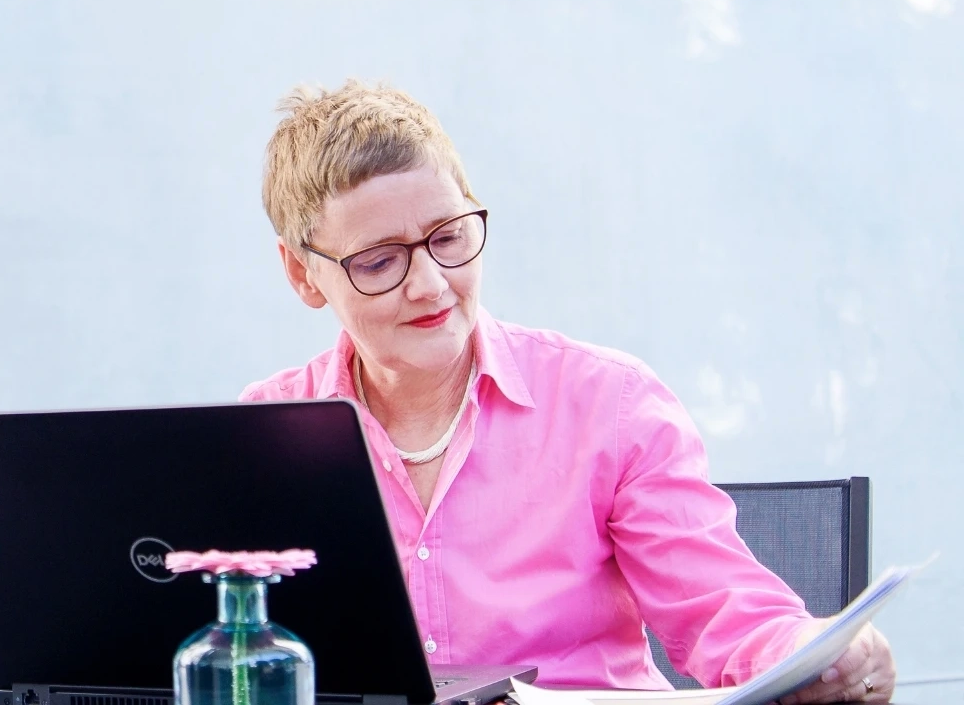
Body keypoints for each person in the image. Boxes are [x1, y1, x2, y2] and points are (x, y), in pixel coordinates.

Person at [243, 80, 894, 698]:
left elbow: (726, 611)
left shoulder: (610, 406)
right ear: (303, 274)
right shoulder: (259, 438)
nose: (432, 285)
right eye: (380, 262)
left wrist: (815, 649)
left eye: (449, 238)